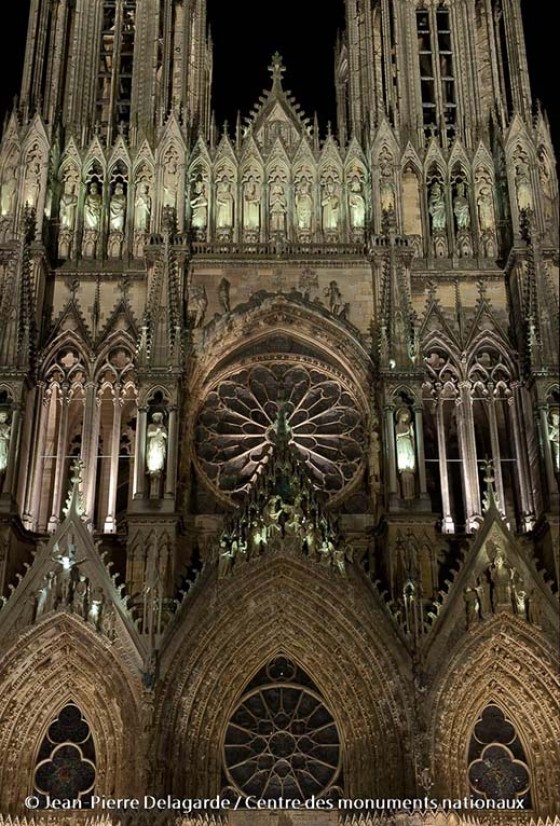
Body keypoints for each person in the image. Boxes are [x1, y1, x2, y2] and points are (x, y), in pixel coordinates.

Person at [395, 407, 416, 499]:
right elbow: (397, 435)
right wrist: (408, 431)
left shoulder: (408, 427)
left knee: (408, 465)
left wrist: (411, 429)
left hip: (407, 444)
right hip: (401, 445)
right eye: (405, 415)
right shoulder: (397, 427)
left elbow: (413, 437)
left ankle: (411, 494)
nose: (406, 417)